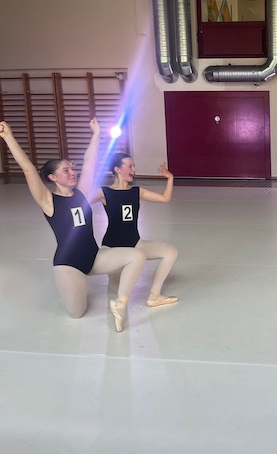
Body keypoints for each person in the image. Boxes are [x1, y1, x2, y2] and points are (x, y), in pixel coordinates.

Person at [0, 119, 146, 332]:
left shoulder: (82, 193)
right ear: (53, 177)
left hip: (94, 257)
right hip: (69, 264)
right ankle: (73, 284)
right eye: (65, 170)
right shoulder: (48, 201)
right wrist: (8, 137)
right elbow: (29, 170)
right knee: (77, 313)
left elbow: (89, 163)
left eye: (71, 168)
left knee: (137, 256)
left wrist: (96, 134)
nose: (72, 173)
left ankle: (120, 303)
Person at [97, 153, 178, 308]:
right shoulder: (104, 192)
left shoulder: (137, 192)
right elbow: (79, 201)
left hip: (135, 244)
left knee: (171, 252)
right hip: (112, 249)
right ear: (118, 169)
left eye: (134, 166)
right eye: (130, 166)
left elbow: (165, 198)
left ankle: (155, 295)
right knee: (116, 292)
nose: (134, 169)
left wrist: (170, 178)